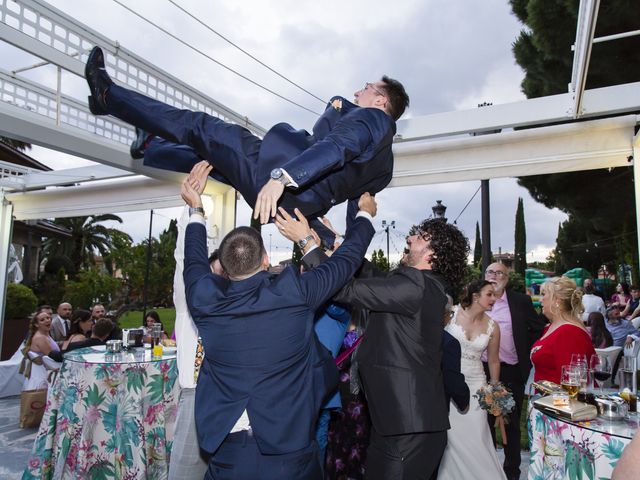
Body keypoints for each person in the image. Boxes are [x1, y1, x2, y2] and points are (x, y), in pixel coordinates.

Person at [84, 46, 408, 246]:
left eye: (365, 89)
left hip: (275, 179)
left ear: (380, 101)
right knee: (215, 157)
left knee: (203, 127)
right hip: (292, 207)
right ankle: (151, 147)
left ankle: (107, 97)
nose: (357, 92)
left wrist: (281, 178)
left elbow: (336, 147)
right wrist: (328, 237)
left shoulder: (374, 120)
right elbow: (355, 198)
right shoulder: (384, 167)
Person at [181, 161, 377, 479]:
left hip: (228, 452)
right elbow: (346, 261)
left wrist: (196, 211)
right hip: (290, 452)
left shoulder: (204, 299)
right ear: (265, 259)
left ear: (225, 268)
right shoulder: (293, 292)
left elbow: (192, 262)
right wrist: (364, 216)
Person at [299, 217, 470, 479]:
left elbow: (346, 290)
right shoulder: (421, 285)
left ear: (432, 254)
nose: (410, 239)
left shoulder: (416, 285)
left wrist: (306, 244)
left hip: (407, 429)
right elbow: (371, 275)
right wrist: (338, 243)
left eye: (420, 237)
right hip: (399, 424)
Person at [483, 262, 546, 480]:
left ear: (507, 278)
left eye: (499, 273)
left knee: (510, 425)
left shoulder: (520, 301)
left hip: (511, 371)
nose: (493, 276)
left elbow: (537, 329)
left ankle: (512, 473)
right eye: (490, 272)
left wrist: (524, 354)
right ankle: (489, 469)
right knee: (485, 424)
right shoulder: (477, 299)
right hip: (482, 372)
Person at [439, 280, 505, 479]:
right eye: (490, 294)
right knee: (450, 441)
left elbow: (494, 361)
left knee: (478, 438)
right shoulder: (451, 314)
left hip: (476, 386)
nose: (494, 298)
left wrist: (494, 394)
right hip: (447, 383)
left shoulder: (493, 327)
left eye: (495, 295)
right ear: (476, 296)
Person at [531, 277, 595, 384]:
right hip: (546, 399)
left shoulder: (569, 333)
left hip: (558, 400)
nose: (540, 299)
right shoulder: (550, 327)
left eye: (544, 294)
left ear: (557, 301)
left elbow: (574, 383)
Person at [21, 309, 60, 391]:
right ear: (36, 324)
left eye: (48, 318)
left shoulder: (45, 334)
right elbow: (53, 357)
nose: (47, 320)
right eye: (42, 320)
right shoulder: (40, 338)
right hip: (43, 375)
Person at [48, 318, 114, 362]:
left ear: (93, 328)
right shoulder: (110, 351)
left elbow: (59, 357)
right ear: (107, 334)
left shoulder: (73, 346)